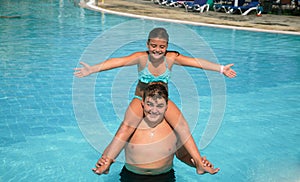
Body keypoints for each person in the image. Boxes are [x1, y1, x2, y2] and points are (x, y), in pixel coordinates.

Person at [74, 27, 236, 174]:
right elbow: (118, 62)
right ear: (148, 44)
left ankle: (199, 163)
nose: (157, 50)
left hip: (162, 101)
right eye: (153, 46)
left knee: (182, 126)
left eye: (161, 46)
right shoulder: (141, 58)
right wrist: (92, 69)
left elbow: (196, 63)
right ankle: (107, 161)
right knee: (126, 127)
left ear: (166, 46)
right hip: (141, 99)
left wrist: (221, 68)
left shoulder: (171, 58)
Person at [92, 83, 220, 181]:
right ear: (142, 103)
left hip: (164, 178)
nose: (154, 110)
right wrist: (104, 162)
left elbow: (183, 155)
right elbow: (113, 146)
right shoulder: (131, 126)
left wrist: (197, 163)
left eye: (159, 106)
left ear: (166, 107)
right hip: (132, 177)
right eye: (150, 104)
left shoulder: (173, 129)